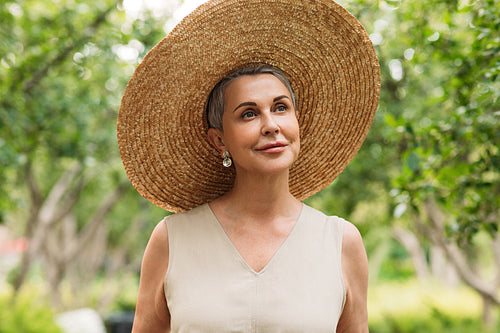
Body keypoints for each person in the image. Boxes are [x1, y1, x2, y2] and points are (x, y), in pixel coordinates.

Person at [117, 0, 380, 332]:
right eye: (248, 113)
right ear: (219, 141)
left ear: (297, 123)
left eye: (281, 107)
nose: (270, 124)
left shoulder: (341, 242)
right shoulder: (172, 239)